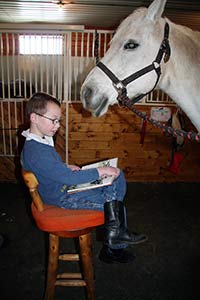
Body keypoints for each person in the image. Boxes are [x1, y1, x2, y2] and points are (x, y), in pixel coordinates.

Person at [20, 92, 147, 264]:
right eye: (54, 120)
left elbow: (49, 167)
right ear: (34, 117)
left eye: (59, 120)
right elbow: (66, 177)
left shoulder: (39, 140)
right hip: (64, 196)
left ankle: (114, 234)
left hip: (63, 187)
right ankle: (113, 246)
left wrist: (65, 166)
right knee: (115, 208)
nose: (57, 125)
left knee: (117, 177)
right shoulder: (37, 151)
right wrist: (99, 171)